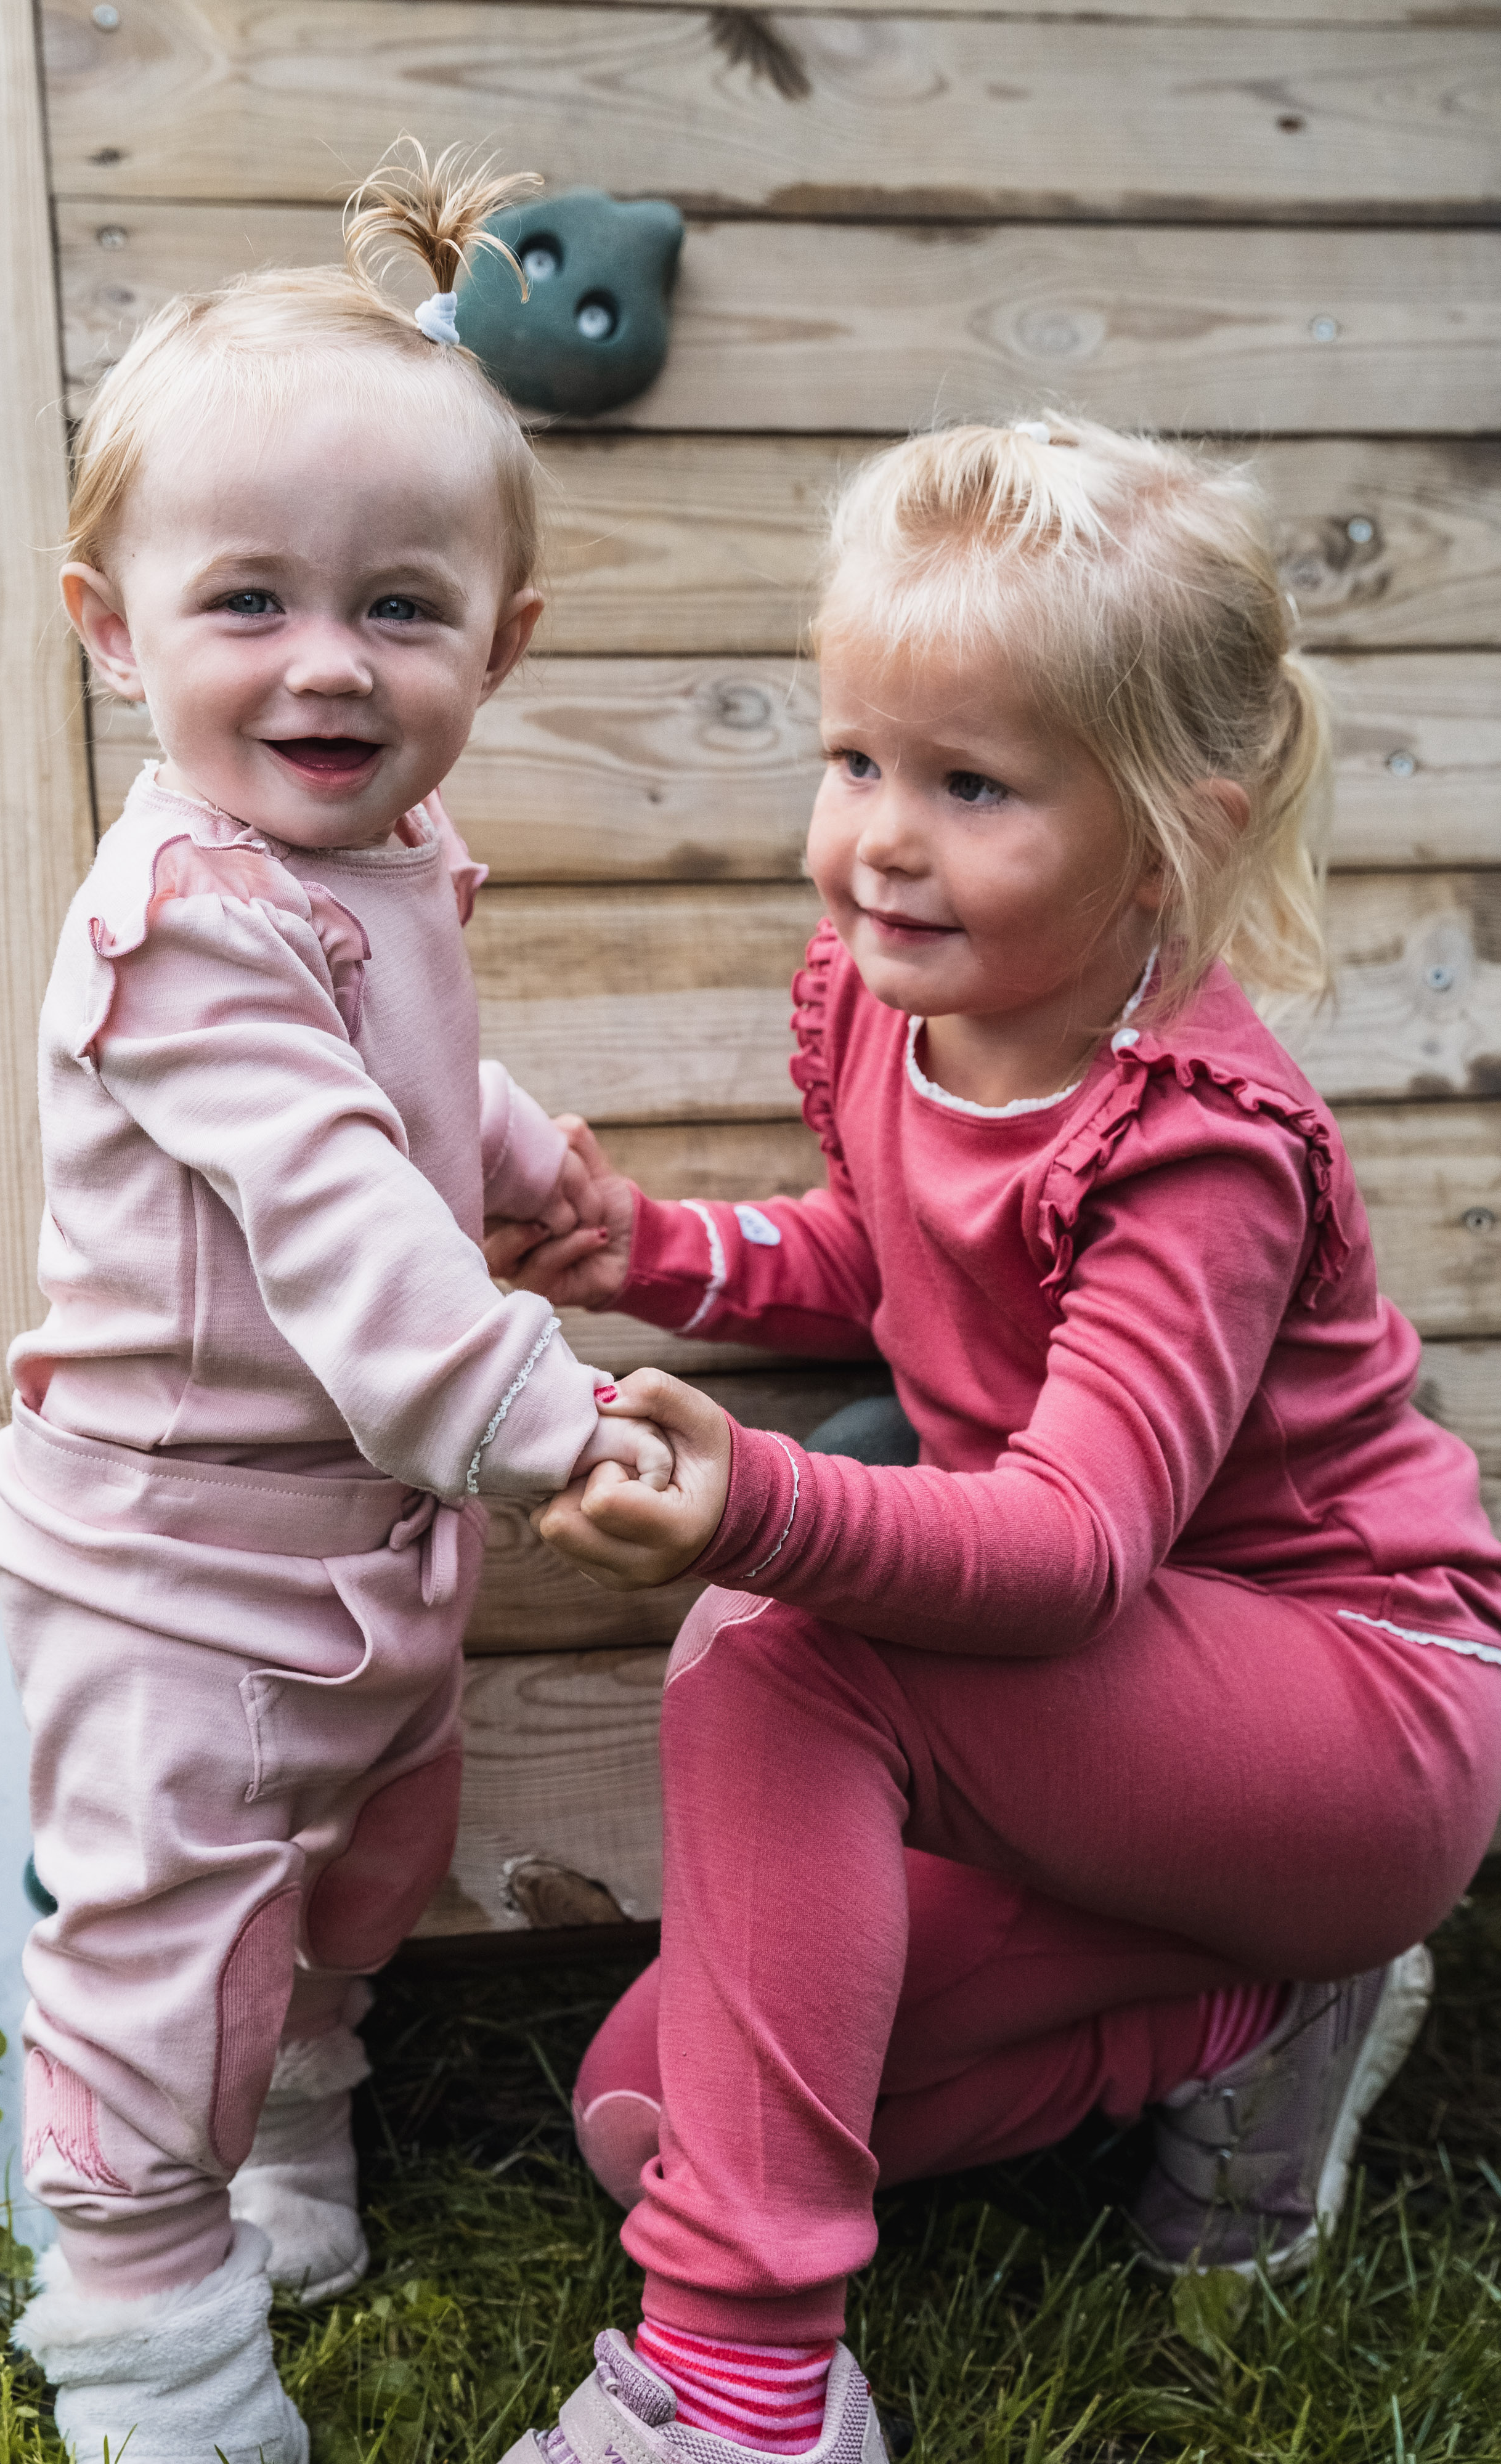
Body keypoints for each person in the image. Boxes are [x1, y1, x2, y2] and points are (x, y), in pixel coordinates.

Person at [490, 418, 1501, 2464]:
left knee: (782, 1641)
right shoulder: (898, 1006)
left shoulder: (1196, 1146)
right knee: (650, 2111)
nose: (881, 835)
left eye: (974, 786)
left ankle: (745, 2383)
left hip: (1353, 1711)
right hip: (1129, 1765)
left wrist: (757, 1506)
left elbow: (1063, 1552)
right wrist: (651, 1252)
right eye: (857, 759)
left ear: (1168, 837)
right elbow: (891, 1257)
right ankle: (1235, 2013)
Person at [0, 147, 671, 2464]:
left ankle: (288, 2132)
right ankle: (139, 2323)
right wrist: (531, 1398)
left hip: (363, 1556)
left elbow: (401, 1082)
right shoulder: (183, 914)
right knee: (174, 1937)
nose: (325, 661)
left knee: (361, 1871)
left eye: (399, 606)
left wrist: (524, 1151)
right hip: (176, 1563)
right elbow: (325, 1199)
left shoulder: (371, 863)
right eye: (249, 599)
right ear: (113, 624)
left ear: (505, 639)